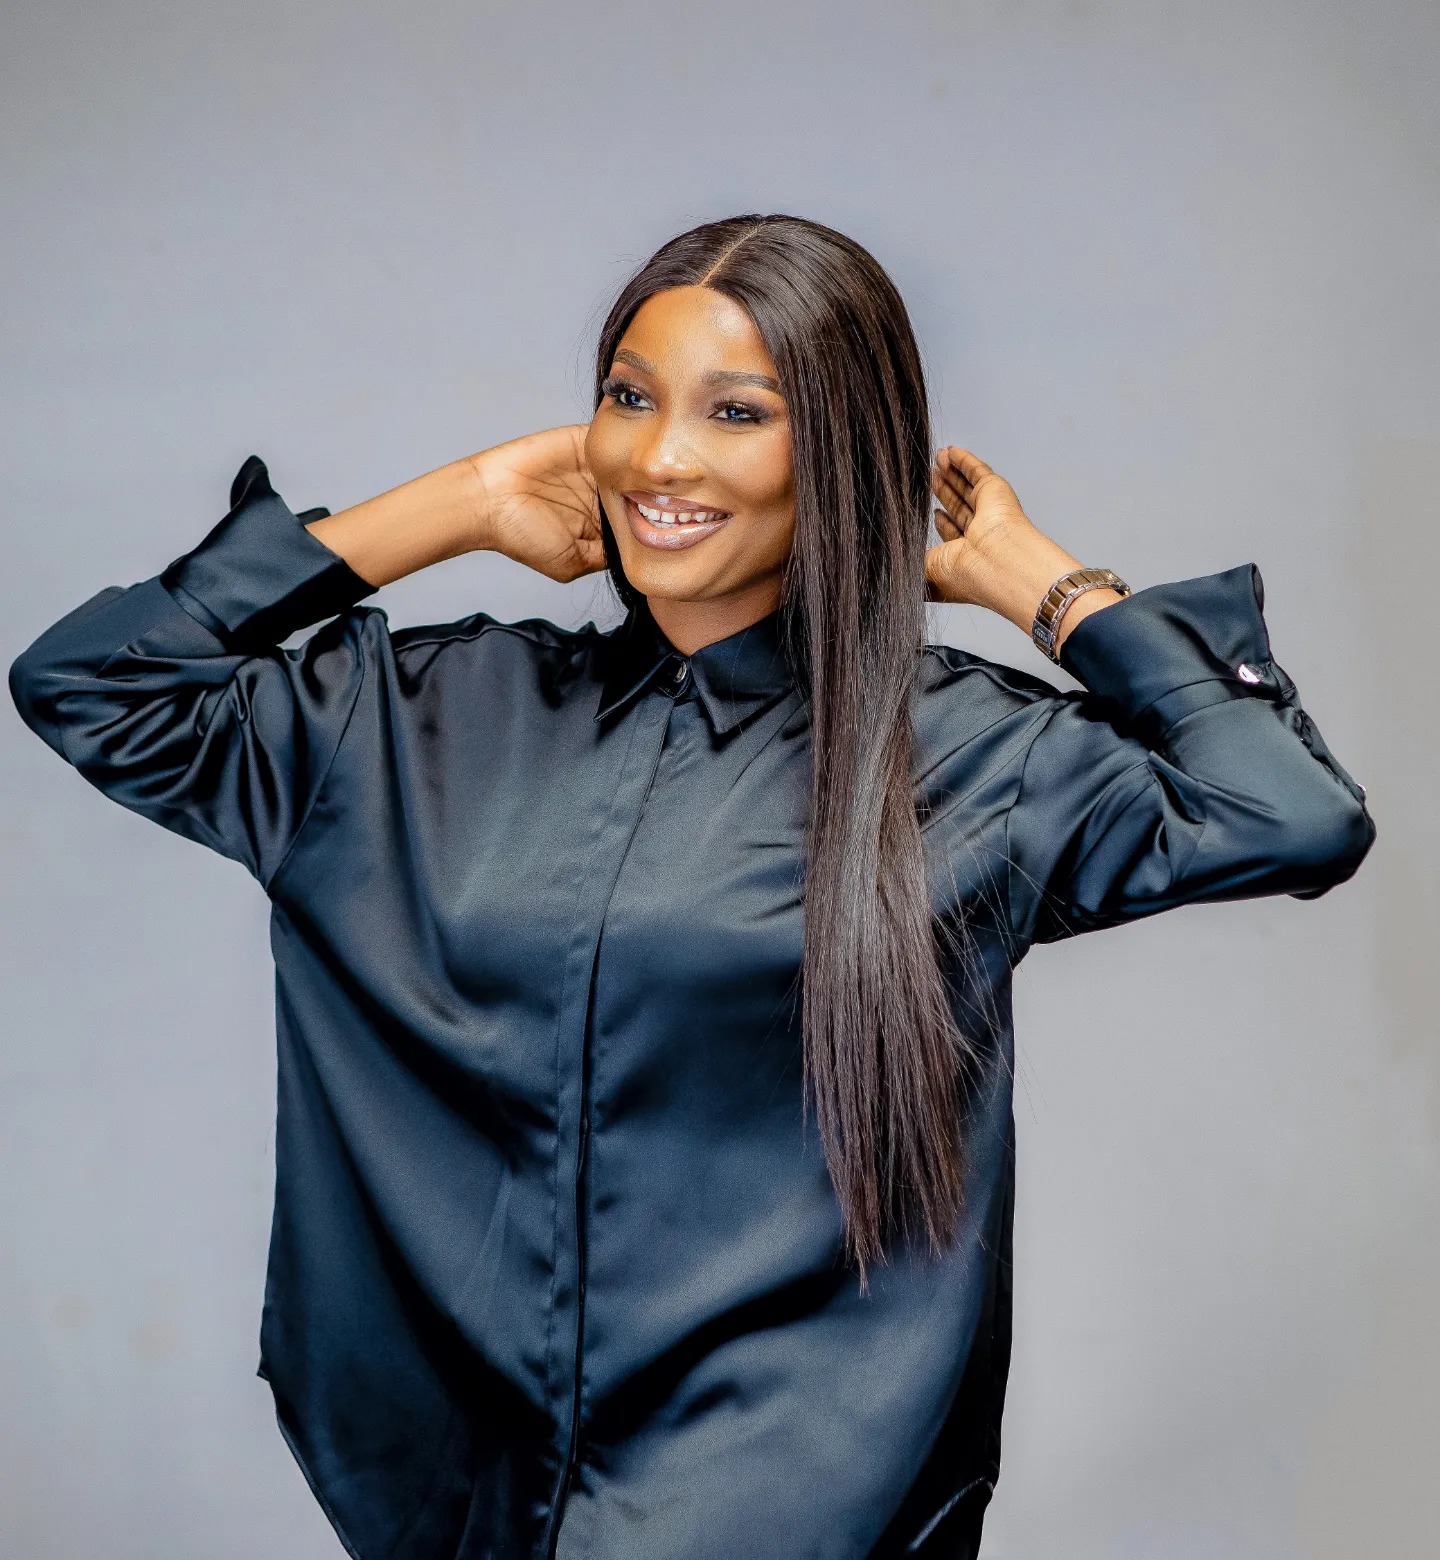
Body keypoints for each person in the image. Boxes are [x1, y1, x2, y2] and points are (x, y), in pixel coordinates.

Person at [8, 214, 1375, 1560]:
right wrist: (463, 501)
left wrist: (1039, 582)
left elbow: (1289, 815)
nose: (660, 456)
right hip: (461, 1497)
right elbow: (92, 684)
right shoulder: (422, 718)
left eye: (737, 412)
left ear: (838, 452)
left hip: (797, 1500)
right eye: (628, 398)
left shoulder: (966, 757)